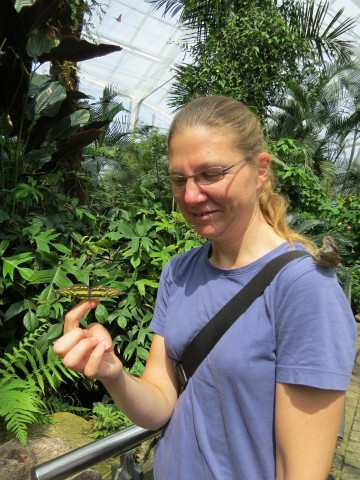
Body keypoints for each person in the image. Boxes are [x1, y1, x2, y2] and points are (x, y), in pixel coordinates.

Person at [53, 95, 357, 480]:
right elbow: (161, 403)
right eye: (179, 179)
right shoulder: (179, 272)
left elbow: (302, 471)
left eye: (211, 174)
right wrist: (113, 372)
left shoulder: (305, 288)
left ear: (260, 169)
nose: (192, 196)